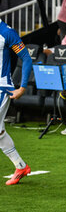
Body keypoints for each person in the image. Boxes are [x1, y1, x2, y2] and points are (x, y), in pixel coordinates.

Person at [0, 19, 32, 185]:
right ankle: (21, 167)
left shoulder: (6, 32)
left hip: (1, 87)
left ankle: (21, 167)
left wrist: (23, 87)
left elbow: (26, 58)